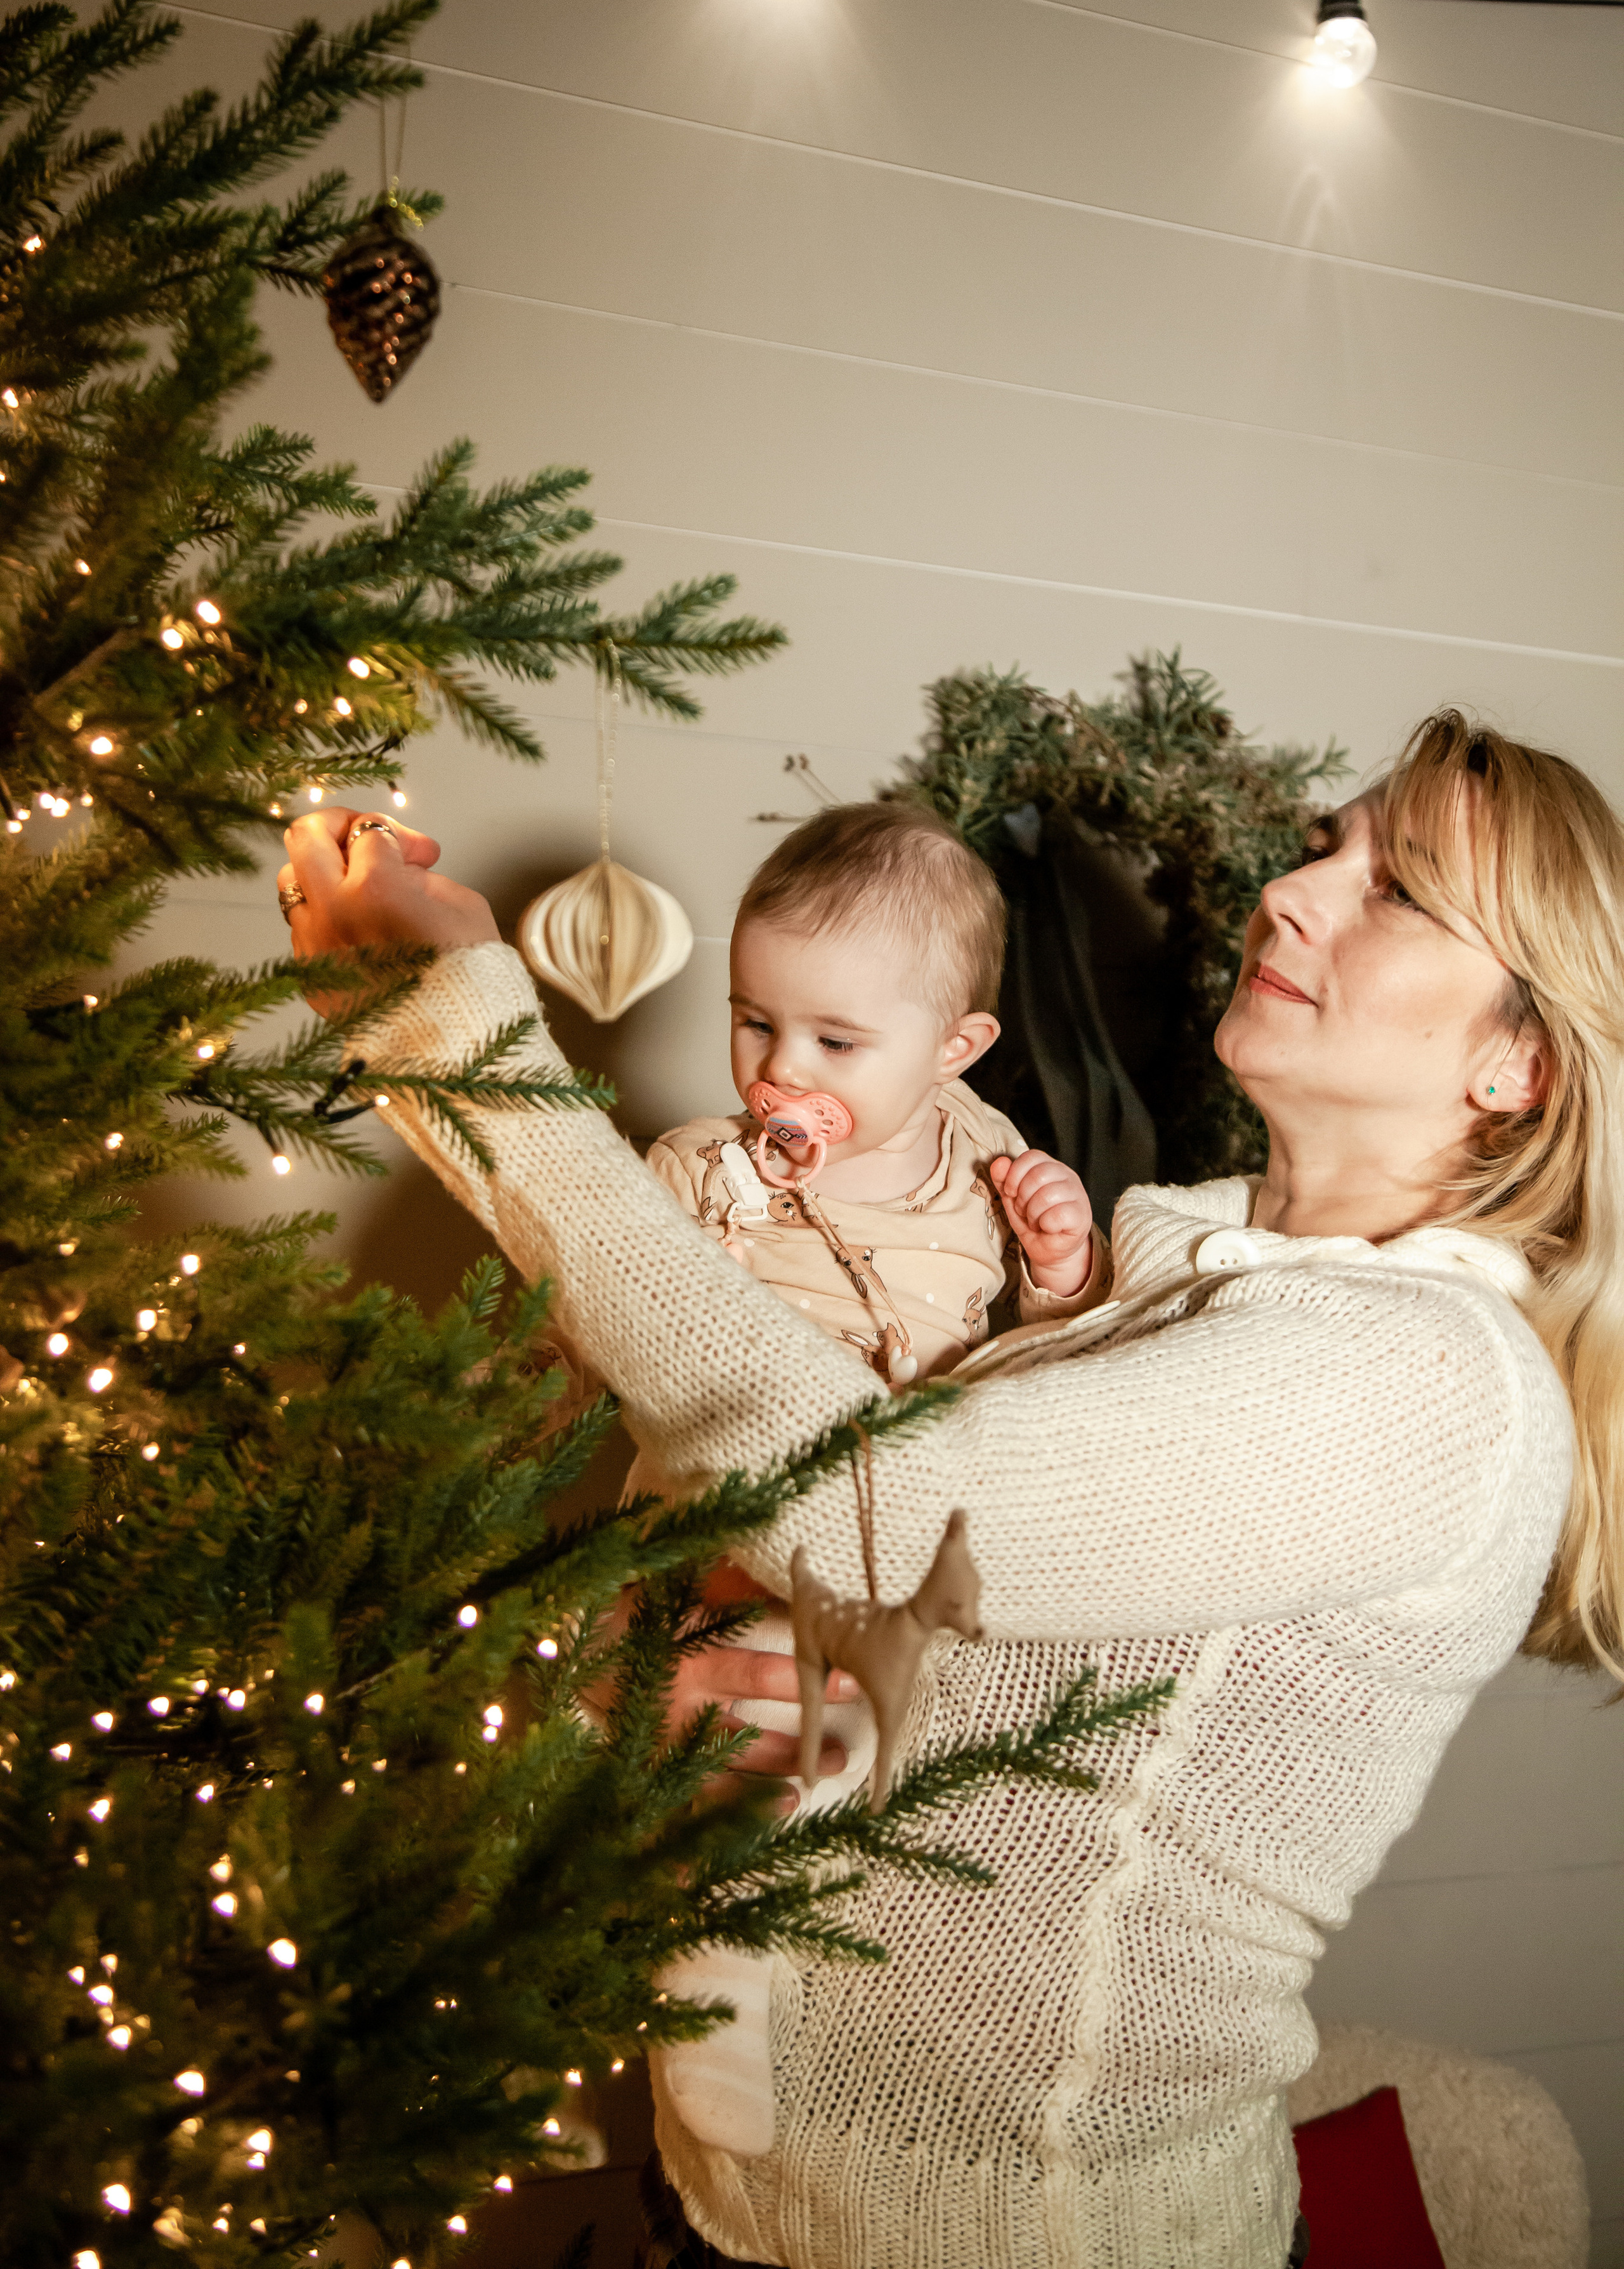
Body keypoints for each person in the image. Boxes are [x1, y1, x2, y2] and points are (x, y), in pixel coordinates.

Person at [276, 712, 1623, 2269]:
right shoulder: (1155, 1288)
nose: (1295, 892)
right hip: (750, 2207)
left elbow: (869, 1511)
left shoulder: (1416, 1376)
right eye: (1328, 843)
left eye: (1395, 894)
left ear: (1517, 1061)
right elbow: (892, 1659)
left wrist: (460, 1039)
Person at [645, 801, 1106, 2157]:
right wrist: (710, 1224)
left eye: (836, 1042)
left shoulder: (991, 1164)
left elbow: (1053, 1357)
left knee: (884, 1769)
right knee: (751, 1739)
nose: (780, 1071)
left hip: (907, 1546)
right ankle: (707, 1974)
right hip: (748, 1522)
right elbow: (620, 1308)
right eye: (751, 1021)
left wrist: (1059, 1266)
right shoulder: (705, 1165)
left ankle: (853, 1996)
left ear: (954, 1048)